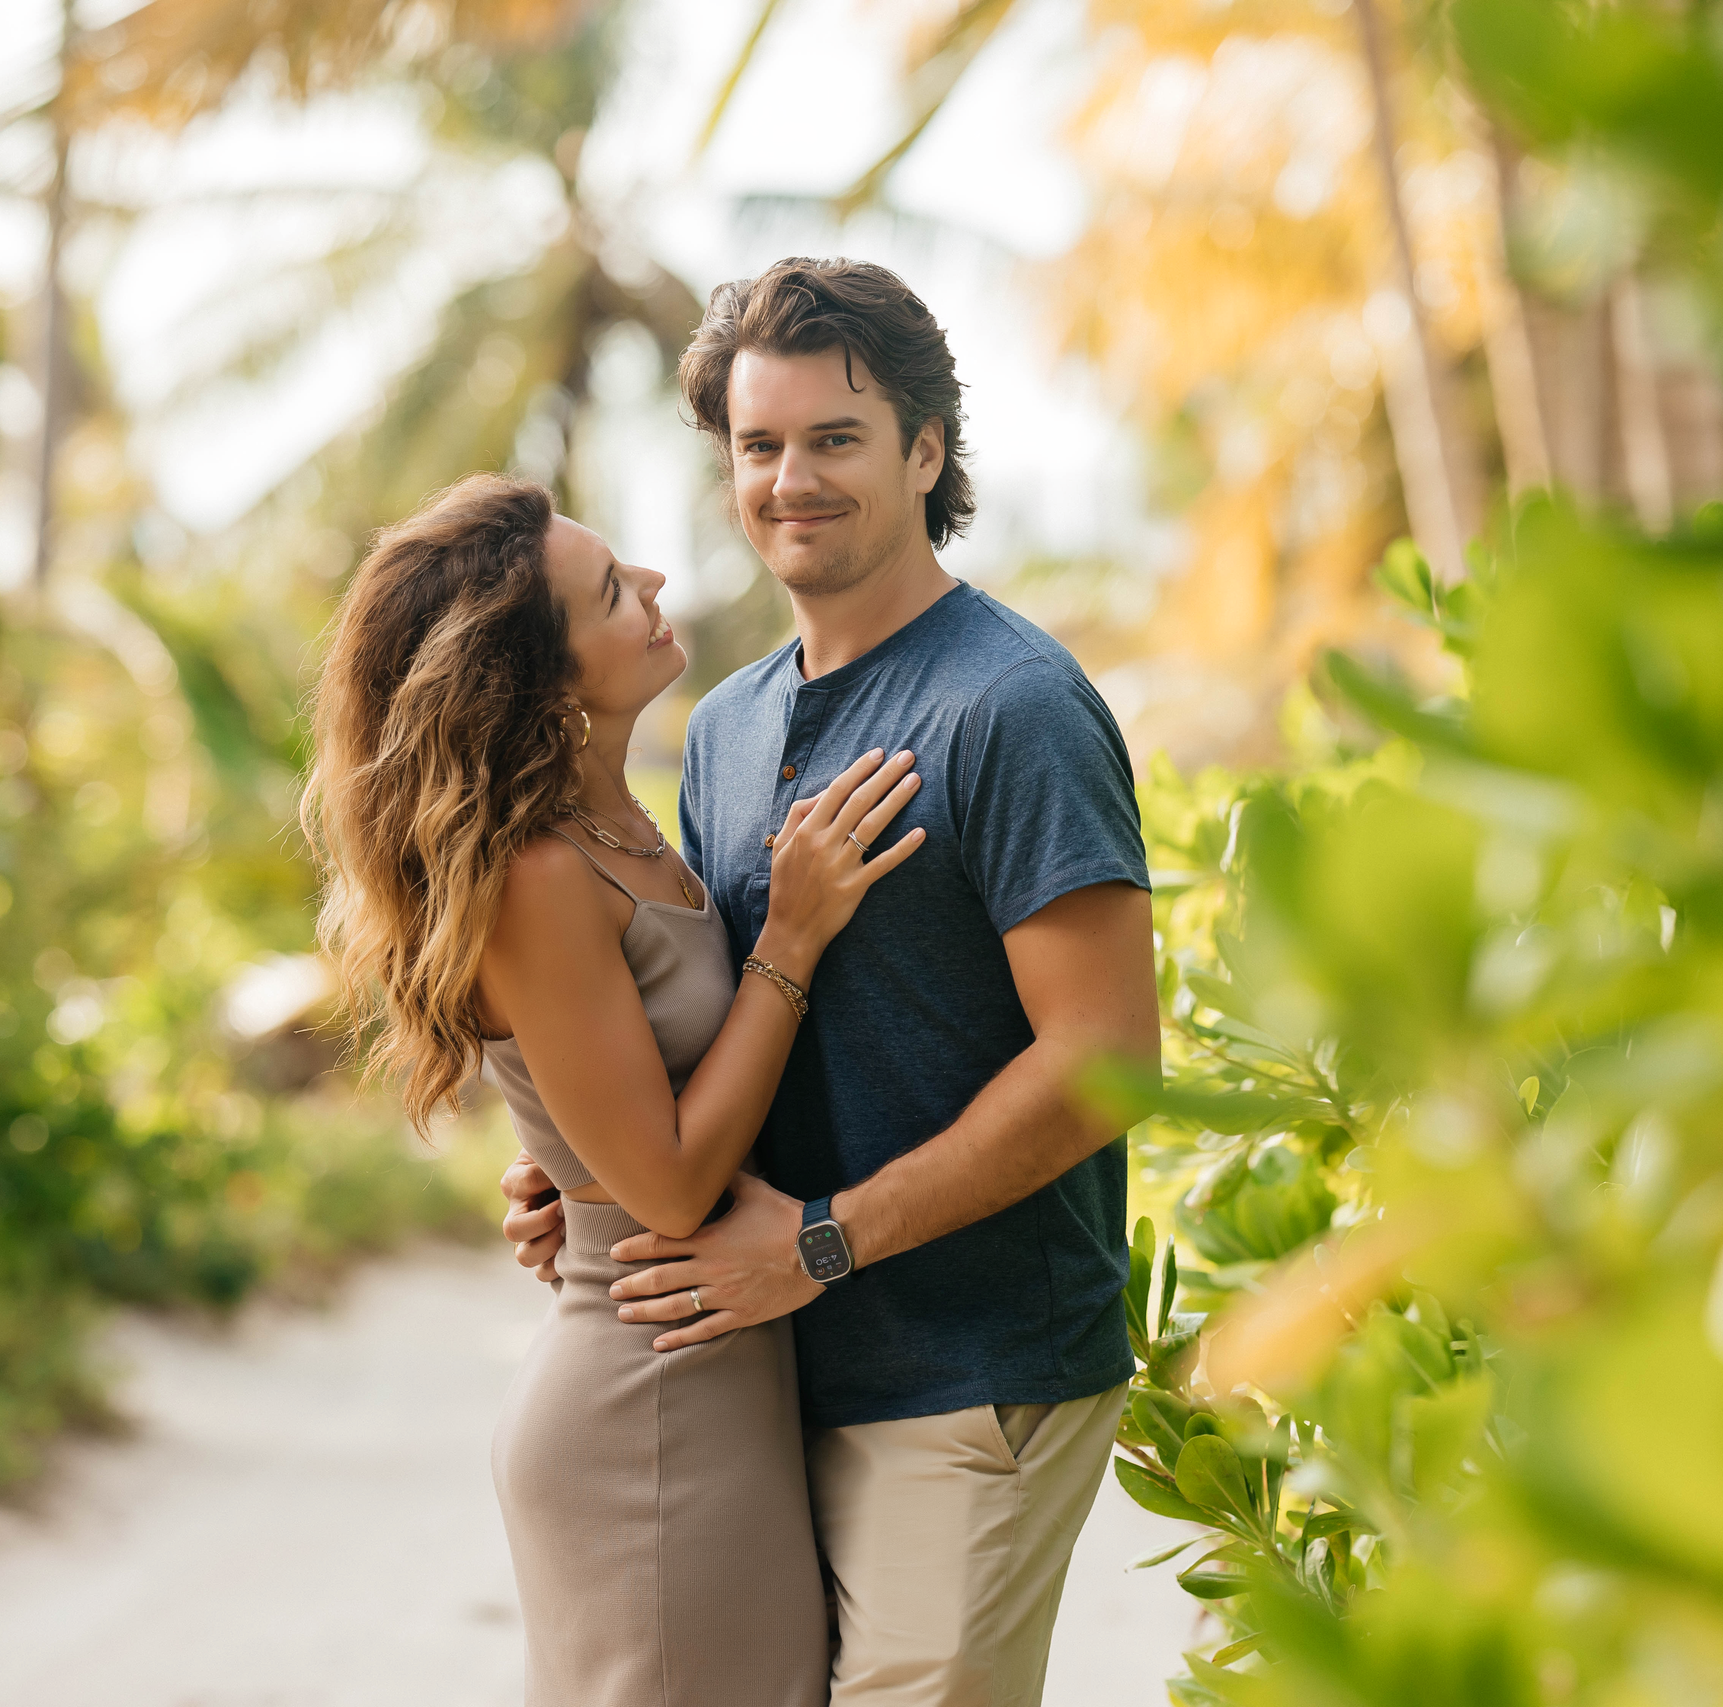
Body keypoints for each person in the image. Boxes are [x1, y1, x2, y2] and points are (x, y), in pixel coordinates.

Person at [500, 257, 1159, 1707]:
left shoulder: (1015, 707)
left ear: (928, 451)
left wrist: (818, 1243)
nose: (791, 478)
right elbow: (707, 1010)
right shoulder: (728, 726)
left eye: (836, 439)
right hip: (763, 1374)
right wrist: (585, 1162)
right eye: (759, 444)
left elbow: (1106, 1053)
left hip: (970, 1373)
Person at [304, 469, 929, 1706]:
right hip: (649, 1409)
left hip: (707, 1384)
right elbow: (673, 1182)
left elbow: (630, 1101)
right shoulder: (538, 875)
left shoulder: (626, 827)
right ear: (536, 680)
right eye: (608, 590)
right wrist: (790, 940)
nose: (651, 584)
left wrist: (567, 1170)